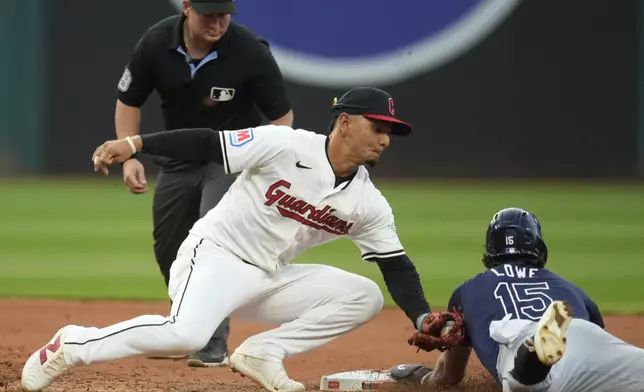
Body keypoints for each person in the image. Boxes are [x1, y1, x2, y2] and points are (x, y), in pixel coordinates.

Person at [21, 86, 436, 392]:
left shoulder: (368, 202)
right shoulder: (284, 145)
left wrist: (422, 318)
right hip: (215, 255)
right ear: (345, 122)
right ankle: (72, 344)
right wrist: (135, 143)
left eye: (390, 132)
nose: (384, 138)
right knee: (186, 336)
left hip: (270, 276)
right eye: (377, 126)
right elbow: (206, 141)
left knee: (364, 296)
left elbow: (395, 264)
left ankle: (263, 351)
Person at [114, 0, 294, 367]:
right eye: (208, 13)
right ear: (186, 7)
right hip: (178, 161)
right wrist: (130, 154)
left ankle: (212, 342)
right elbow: (128, 100)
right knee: (170, 248)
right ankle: (185, 328)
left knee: (212, 240)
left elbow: (282, 118)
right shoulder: (156, 42)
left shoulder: (248, 51)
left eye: (224, 13)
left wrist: (263, 162)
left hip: (230, 160)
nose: (217, 21)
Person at [389, 207, 644, 392]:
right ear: (537, 246)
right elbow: (596, 342)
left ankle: (532, 360)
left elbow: (449, 376)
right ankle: (542, 350)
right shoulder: (571, 288)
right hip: (581, 334)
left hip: (520, 338)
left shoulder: (467, 291)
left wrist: (424, 380)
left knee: (525, 381)